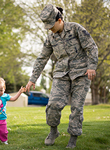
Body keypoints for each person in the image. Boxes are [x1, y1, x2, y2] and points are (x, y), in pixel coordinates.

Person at [25, 4, 98, 149]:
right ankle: (53, 131)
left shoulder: (76, 28)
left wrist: (91, 66)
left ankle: (73, 138)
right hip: (61, 73)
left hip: (81, 73)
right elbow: (42, 58)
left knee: (77, 108)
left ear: (60, 20)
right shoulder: (50, 37)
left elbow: (91, 47)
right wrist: (33, 78)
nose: (49, 28)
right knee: (53, 105)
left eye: (51, 25)